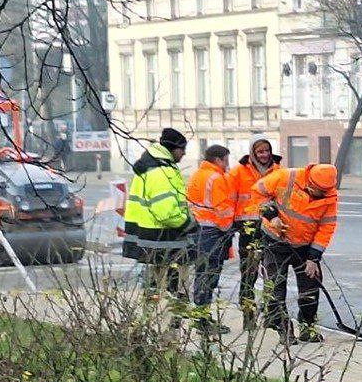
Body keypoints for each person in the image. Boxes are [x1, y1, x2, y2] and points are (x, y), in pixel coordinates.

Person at [254, 163, 340, 342]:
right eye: (316, 190)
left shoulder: (330, 197)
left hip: (304, 247)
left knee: (310, 287)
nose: (318, 195)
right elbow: (256, 193)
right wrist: (272, 216)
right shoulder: (286, 177)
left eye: (322, 192)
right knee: (275, 287)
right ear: (308, 180)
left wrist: (313, 258)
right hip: (275, 242)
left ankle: (307, 327)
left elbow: (327, 227)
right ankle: (284, 330)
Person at [121, 128, 193, 296]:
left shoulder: (150, 166)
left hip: (151, 238)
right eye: (182, 149)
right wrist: (188, 222)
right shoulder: (161, 171)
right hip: (167, 240)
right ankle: (172, 322)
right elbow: (166, 213)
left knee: (153, 292)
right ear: (173, 148)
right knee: (174, 292)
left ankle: (152, 320)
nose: (184, 154)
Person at [229, 139, 282, 316]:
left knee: (272, 272)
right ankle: (248, 311)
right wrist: (230, 225)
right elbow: (230, 198)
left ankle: (270, 312)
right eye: (260, 152)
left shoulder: (279, 171)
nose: (264, 155)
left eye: (267, 151)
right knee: (249, 272)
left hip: (272, 227)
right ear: (253, 153)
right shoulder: (238, 172)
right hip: (248, 228)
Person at [186, 144, 237, 328]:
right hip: (212, 233)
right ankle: (203, 320)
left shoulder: (197, 175)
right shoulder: (216, 178)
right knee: (209, 276)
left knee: (202, 274)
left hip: (197, 230)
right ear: (218, 160)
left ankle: (201, 316)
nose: (227, 164)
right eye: (226, 160)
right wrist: (228, 229)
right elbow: (222, 208)